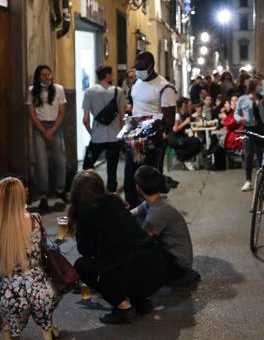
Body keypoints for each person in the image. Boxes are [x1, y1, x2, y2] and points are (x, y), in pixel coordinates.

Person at [69, 170, 167, 324]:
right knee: (123, 258)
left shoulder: (85, 213)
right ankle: (139, 301)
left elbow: (86, 252)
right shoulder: (114, 200)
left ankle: (125, 308)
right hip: (158, 268)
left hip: (135, 275)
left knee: (82, 265)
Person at [0, 177, 61, 340]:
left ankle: (10, 329)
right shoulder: (34, 219)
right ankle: (47, 327)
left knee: (10, 290)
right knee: (48, 288)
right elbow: (42, 248)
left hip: (6, 295)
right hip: (40, 291)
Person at [130, 166, 200, 285]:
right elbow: (130, 214)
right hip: (175, 257)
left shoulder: (157, 213)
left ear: (138, 188)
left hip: (179, 266)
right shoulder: (155, 201)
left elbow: (140, 243)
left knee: (139, 251)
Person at [126, 51, 177, 206]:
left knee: (147, 180)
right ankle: (133, 210)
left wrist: (155, 133)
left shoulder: (164, 87)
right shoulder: (137, 82)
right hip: (134, 139)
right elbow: (134, 105)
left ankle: (150, 213)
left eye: (140, 68)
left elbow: (169, 120)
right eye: (136, 68)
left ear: (150, 67)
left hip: (151, 142)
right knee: (130, 177)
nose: (137, 72)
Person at [26, 64, 67, 213]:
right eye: (43, 75)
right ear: (38, 77)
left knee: (60, 159)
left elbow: (62, 111)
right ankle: (43, 195)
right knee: (41, 162)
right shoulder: (32, 91)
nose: (46, 77)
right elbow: (32, 113)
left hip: (56, 125)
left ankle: (60, 190)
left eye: (48, 74)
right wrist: (44, 131)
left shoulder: (59, 89)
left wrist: (53, 129)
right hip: (39, 127)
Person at [82, 64, 126, 194]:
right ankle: (111, 194)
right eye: (111, 74)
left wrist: (92, 133)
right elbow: (122, 117)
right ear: (107, 75)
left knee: (87, 166)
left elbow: (85, 119)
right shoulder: (118, 91)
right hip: (114, 136)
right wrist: (122, 133)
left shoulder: (89, 92)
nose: (113, 76)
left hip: (97, 136)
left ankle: (91, 190)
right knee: (112, 169)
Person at [236, 78, 264, 192]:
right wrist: (240, 119)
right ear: (253, 86)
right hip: (248, 128)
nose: (260, 87)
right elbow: (236, 113)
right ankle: (248, 180)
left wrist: (260, 104)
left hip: (261, 128)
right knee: (249, 154)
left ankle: (262, 179)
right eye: (259, 85)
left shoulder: (263, 99)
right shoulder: (242, 99)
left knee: (261, 154)